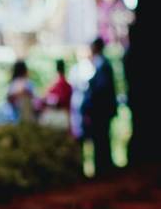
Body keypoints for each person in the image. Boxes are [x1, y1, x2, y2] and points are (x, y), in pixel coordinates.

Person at [81, 37, 118, 176]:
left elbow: (101, 89)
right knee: (101, 138)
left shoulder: (103, 65)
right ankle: (103, 168)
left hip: (100, 111)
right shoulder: (101, 65)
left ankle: (103, 169)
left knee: (101, 139)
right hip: (100, 110)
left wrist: (90, 104)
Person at [40, 59, 73, 130]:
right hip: (64, 115)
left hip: (60, 116)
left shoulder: (58, 84)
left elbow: (58, 100)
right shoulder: (65, 84)